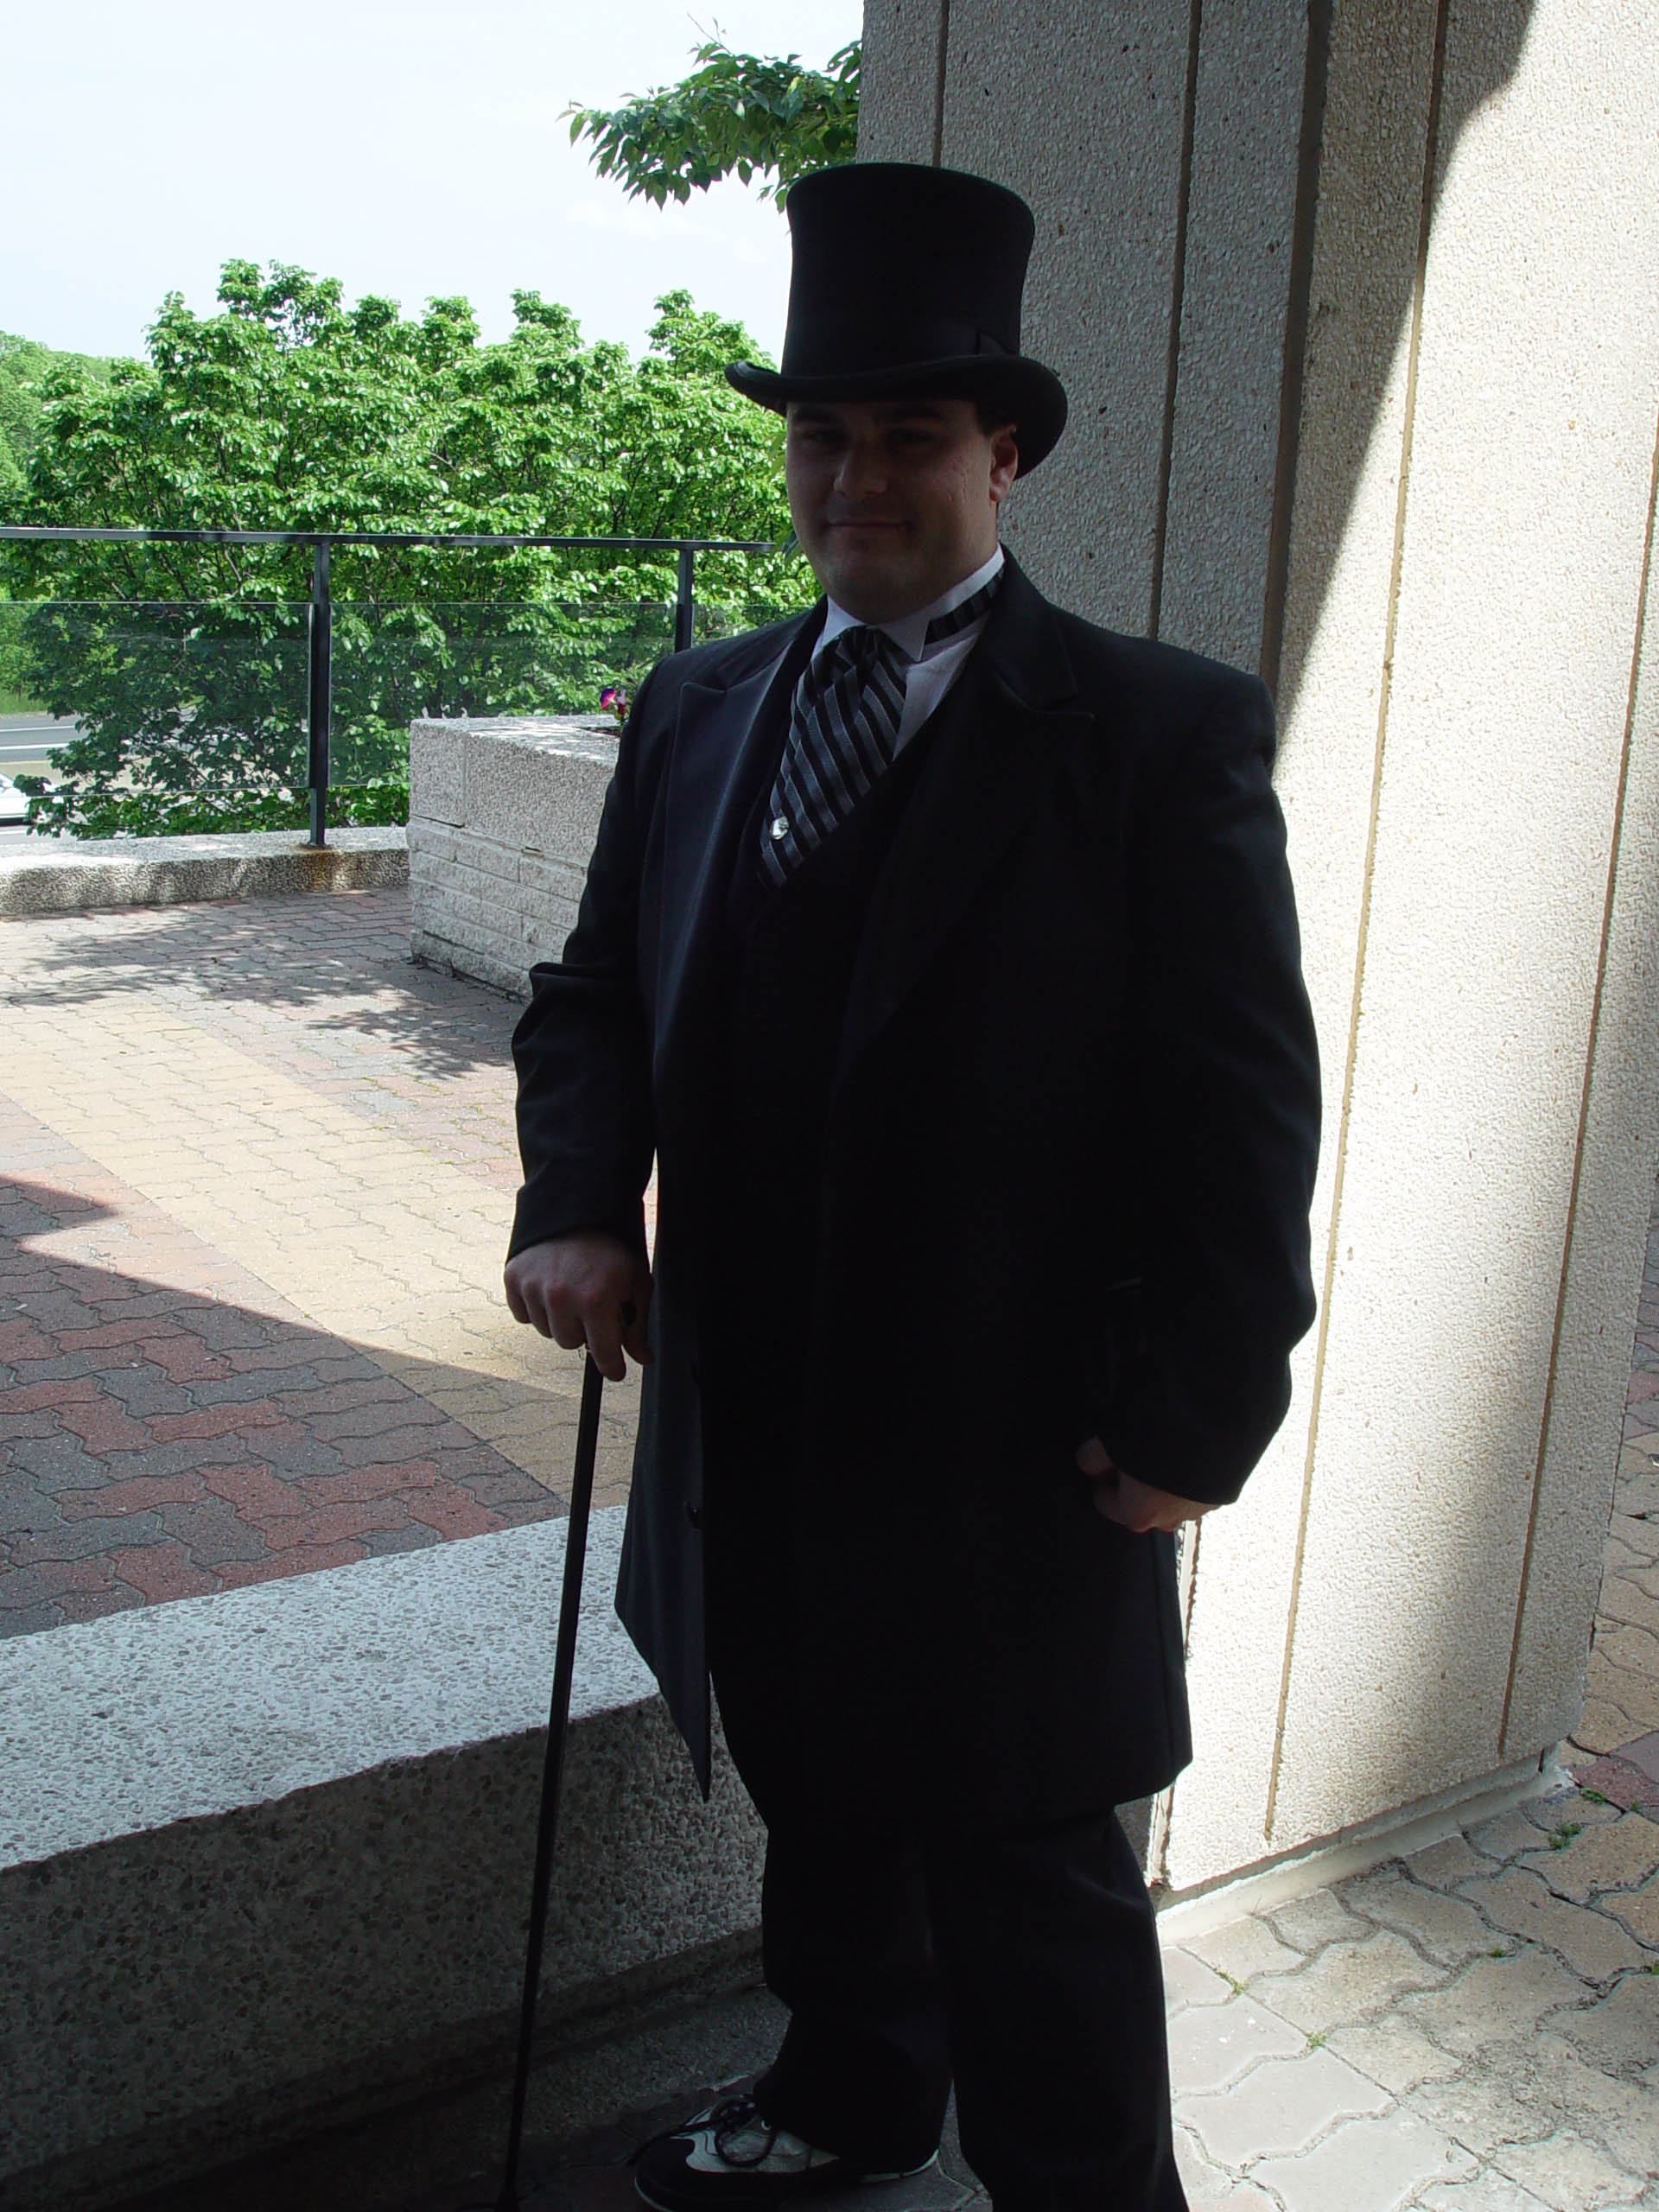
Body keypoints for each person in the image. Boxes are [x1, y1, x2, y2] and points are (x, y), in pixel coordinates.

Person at [505, 162, 1320, 2212]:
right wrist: (581, 1195)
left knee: (1030, 1865)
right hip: (760, 1414)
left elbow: (1242, 1117)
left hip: (1015, 1437)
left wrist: (1195, 1417)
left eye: (909, 436)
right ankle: (852, 2091)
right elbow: (592, 990)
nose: (854, 479)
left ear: (1003, 452)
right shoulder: (700, 704)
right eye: (824, 436)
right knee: (822, 1791)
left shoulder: (1154, 733)